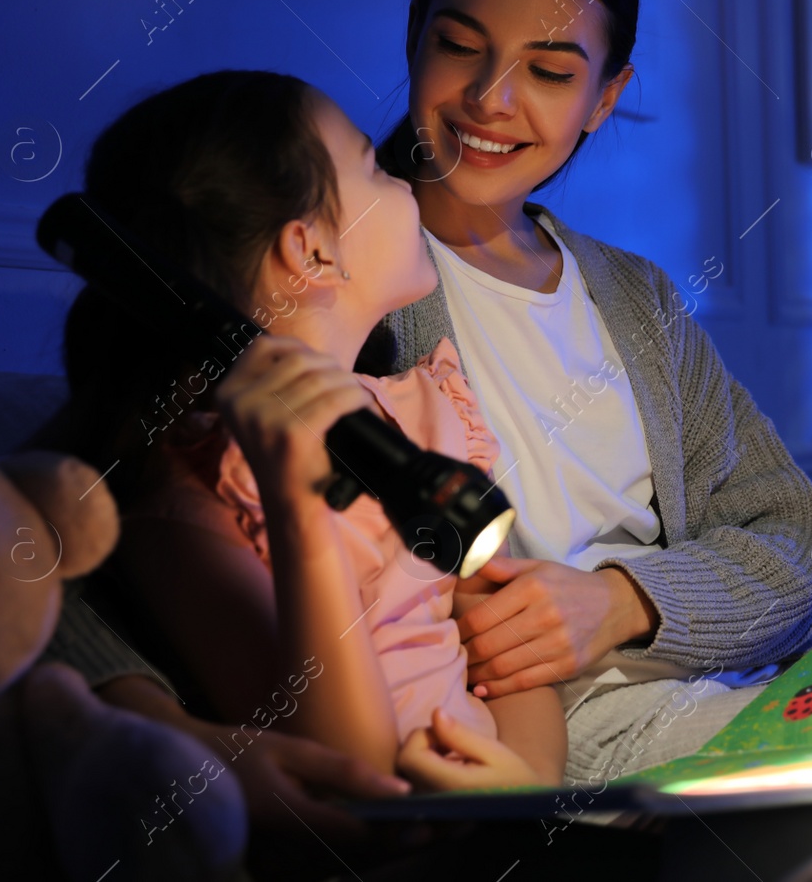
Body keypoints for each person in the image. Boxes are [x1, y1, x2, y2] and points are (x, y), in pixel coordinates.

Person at [358, 0, 812, 783]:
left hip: (709, 691)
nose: (492, 99)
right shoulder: (333, 270)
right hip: (559, 740)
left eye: (549, 70)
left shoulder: (637, 300)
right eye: (460, 46)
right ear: (416, 33)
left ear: (606, 97)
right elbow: (124, 505)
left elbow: (793, 544)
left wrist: (622, 603)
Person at [52, 70, 567, 792]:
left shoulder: (427, 417)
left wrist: (530, 786)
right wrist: (298, 509)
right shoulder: (198, 497)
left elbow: (512, 652)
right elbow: (346, 775)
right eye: (375, 168)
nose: (406, 185)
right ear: (313, 251)